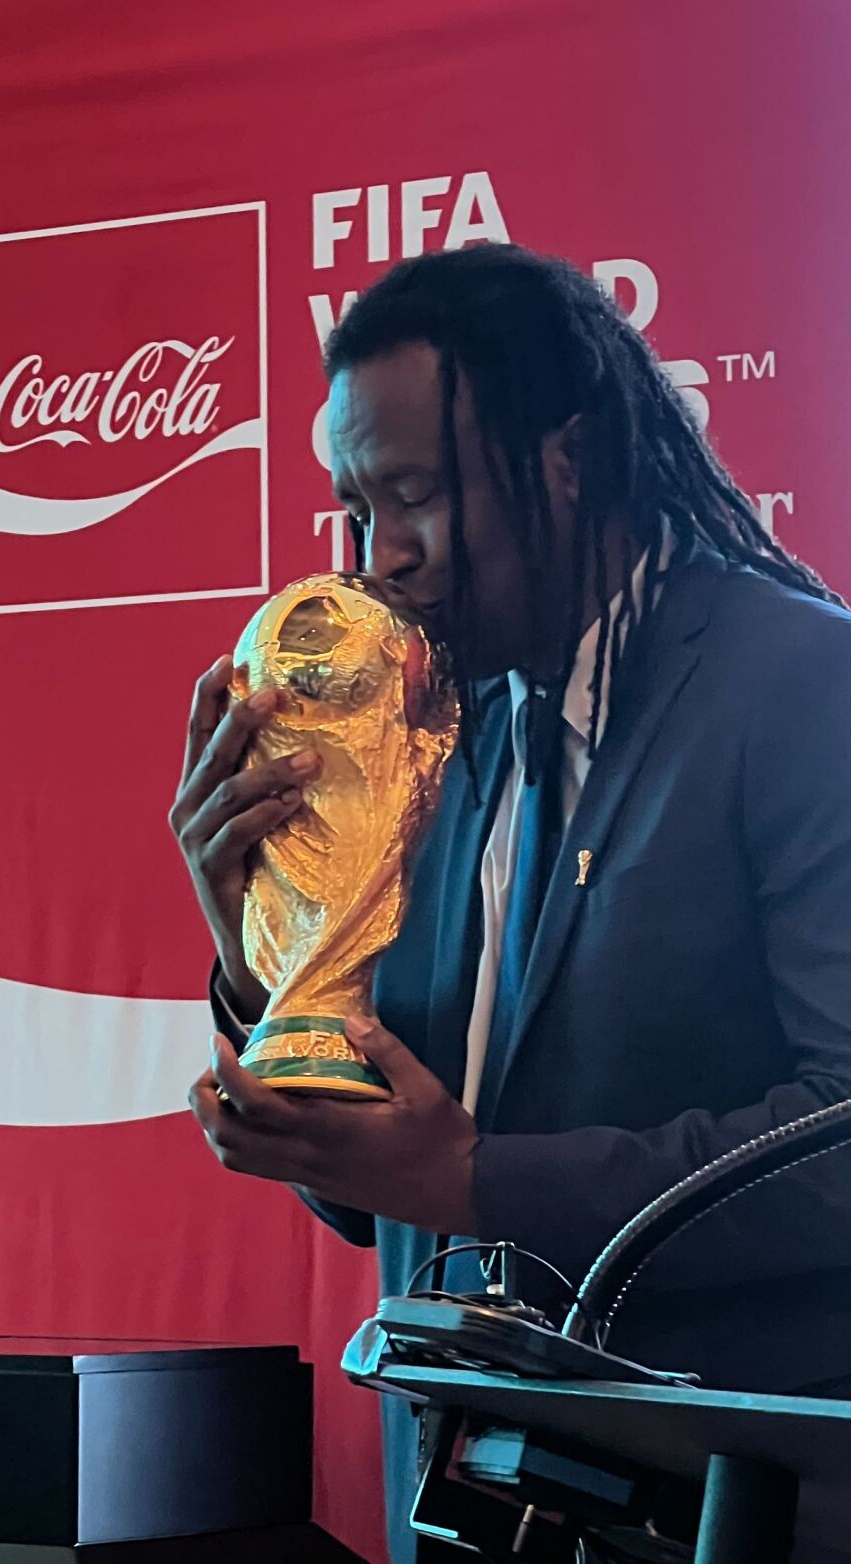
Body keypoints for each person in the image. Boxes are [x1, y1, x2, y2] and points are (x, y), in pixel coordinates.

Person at [171, 244, 851, 1564]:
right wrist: (263, 951)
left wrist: (484, 1180)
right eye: (358, 510)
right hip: (469, 1509)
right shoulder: (432, 736)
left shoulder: (800, 687)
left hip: (732, 1518)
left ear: (568, 460)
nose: (384, 559)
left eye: (416, 495)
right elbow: (375, 1193)